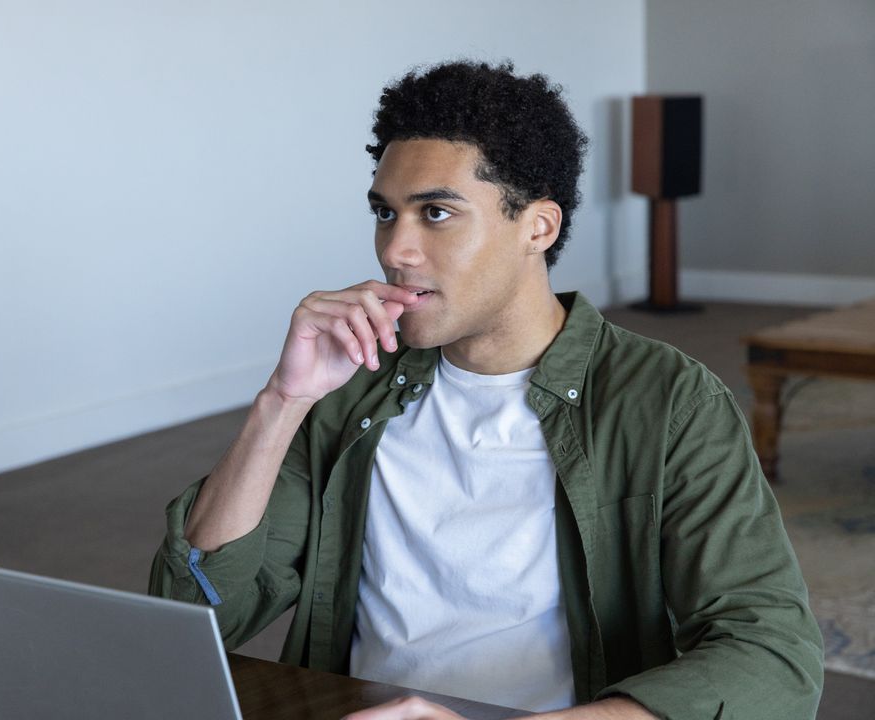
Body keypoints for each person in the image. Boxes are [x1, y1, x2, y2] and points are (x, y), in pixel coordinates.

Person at [149, 60, 823, 719]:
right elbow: (195, 613)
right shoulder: (351, 392)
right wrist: (282, 402)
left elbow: (772, 657)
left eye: (436, 214)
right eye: (385, 214)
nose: (396, 250)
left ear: (539, 227)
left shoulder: (672, 402)